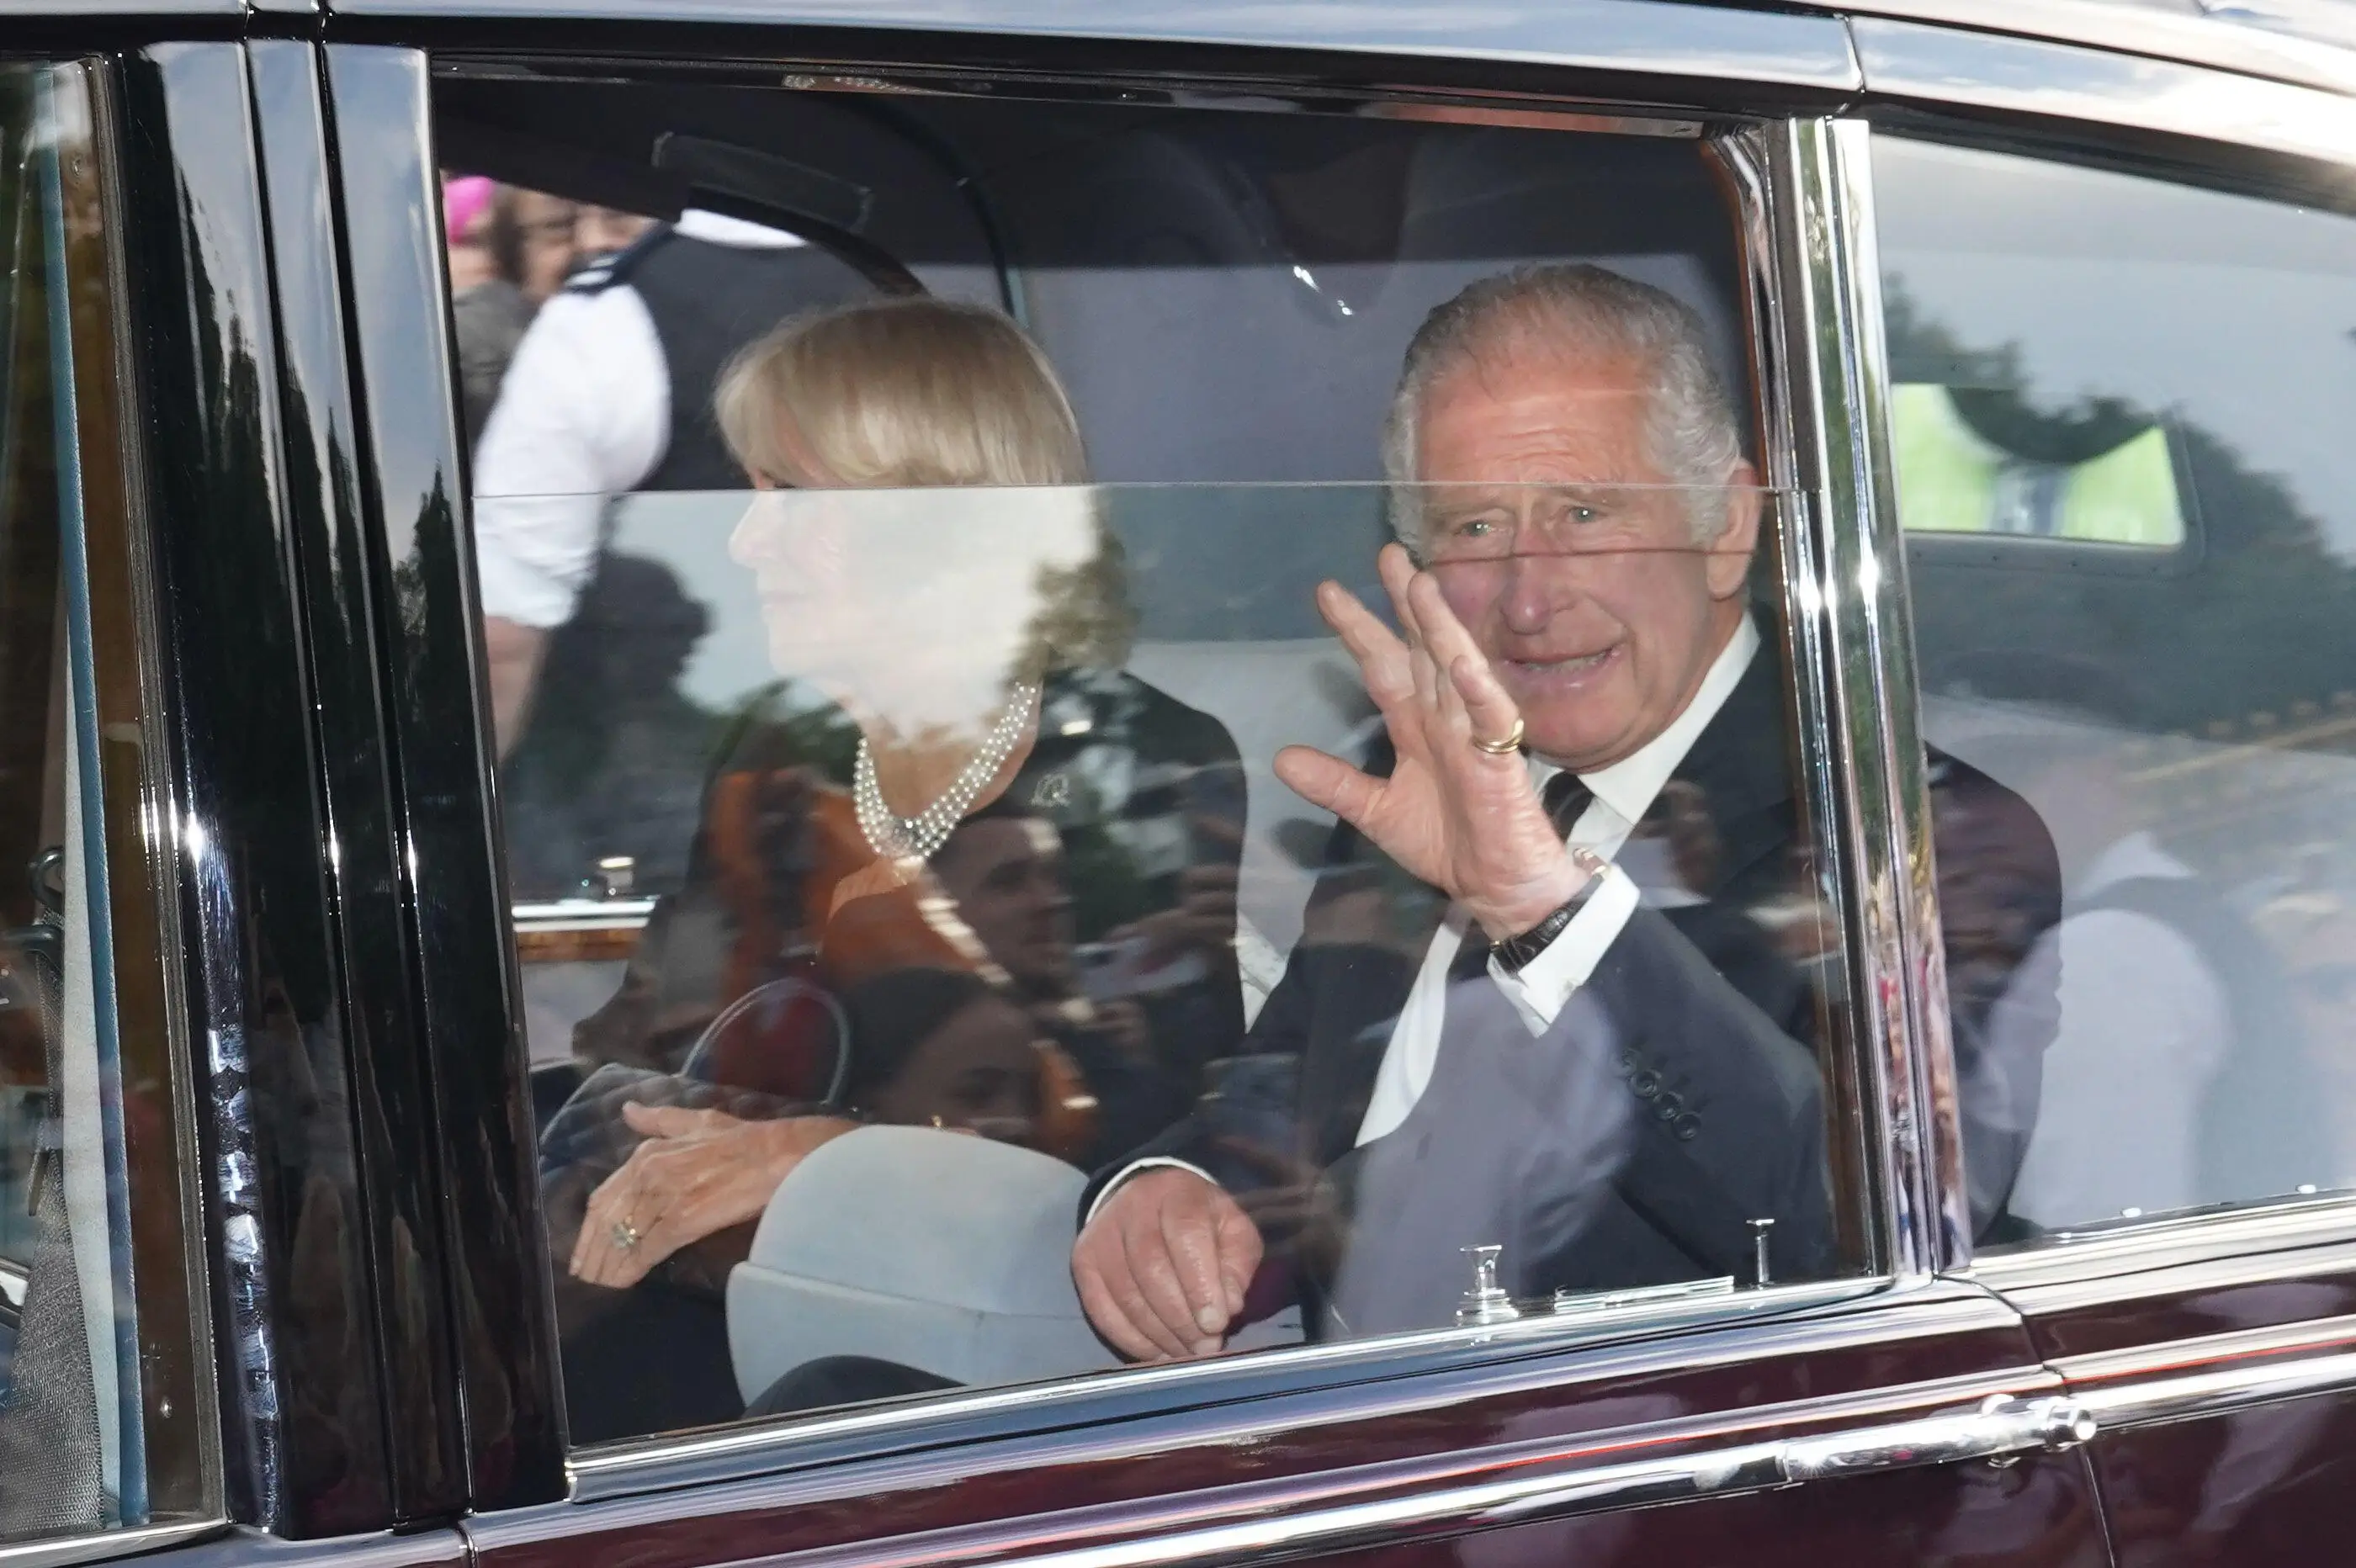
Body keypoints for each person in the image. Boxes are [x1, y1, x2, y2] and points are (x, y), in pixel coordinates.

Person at [1071, 263, 2060, 1361]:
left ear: (1726, 527)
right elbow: (1308, 1078)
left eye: (1585, 513)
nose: (1529, 599)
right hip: (1346, 1419)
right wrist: (1179, 1182)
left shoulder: (1914, 840)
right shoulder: (1432, 772)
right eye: (1475, 527)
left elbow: (1871, 1238)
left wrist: (1545, 913)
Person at [538, 297, 1245, 1440]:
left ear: (939, 516)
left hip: (949, 1373)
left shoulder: (1132, 758)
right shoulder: (772, 755)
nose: (744, 540)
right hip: (712, 1298)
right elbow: (647, 1051)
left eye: (789, 496)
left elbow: (1140, 1138)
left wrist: (820, 1157)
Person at [472, 208, 875, 756]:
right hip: (921, 727)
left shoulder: (601, 323)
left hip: (680, 753)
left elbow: (506, 627)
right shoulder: (947, 275)